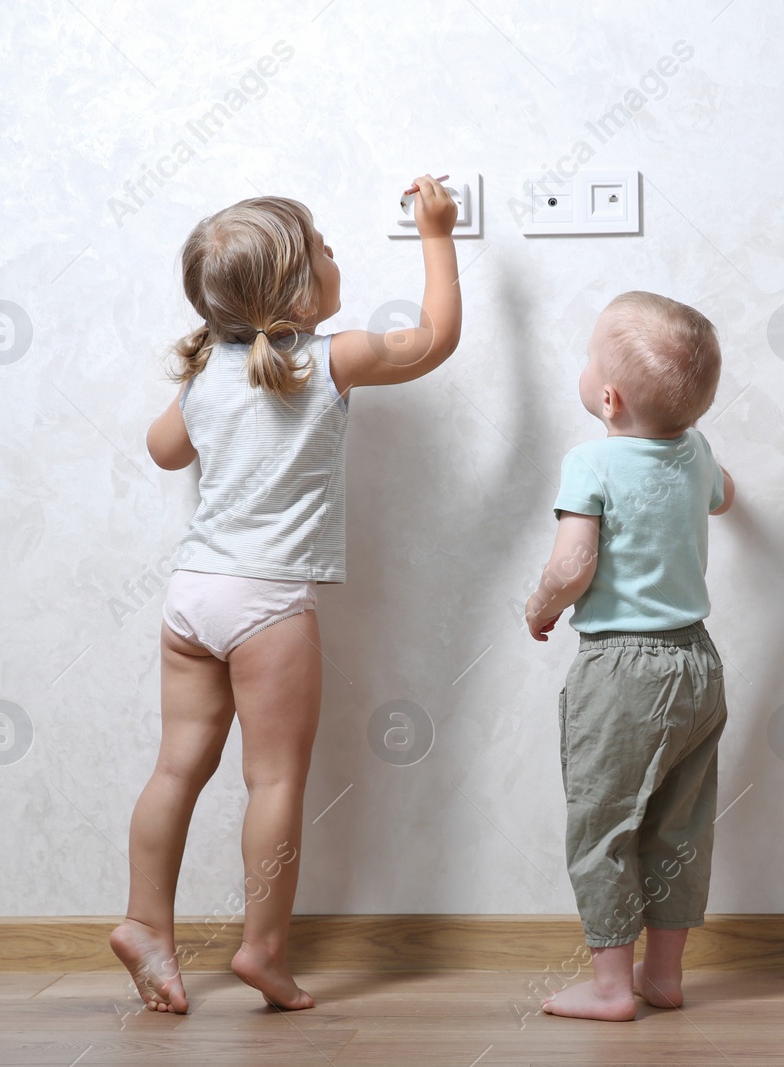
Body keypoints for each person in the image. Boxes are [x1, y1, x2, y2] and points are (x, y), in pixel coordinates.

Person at [112, 178, 460, 1013]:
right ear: (300, 291)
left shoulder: (204, 375)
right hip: (267, 602)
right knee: (274, 783)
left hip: (191, 596)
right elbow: (437, 338)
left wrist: (211, 379)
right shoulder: (332, 358)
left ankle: (143, 922)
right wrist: (436, 231)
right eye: (325, 249)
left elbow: (164, 451)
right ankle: (263, 950)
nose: (337, 255)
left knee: (175, 767)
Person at [526, 290, 736, 1021]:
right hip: (698, 664)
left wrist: (540, 606)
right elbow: (723, 496)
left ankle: (612, 985)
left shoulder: (591, 461)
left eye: (589, 360)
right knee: (679, 822)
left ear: (608, 397)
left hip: (623, 671)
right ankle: (664, 974)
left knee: (603, 822)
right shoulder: (698, 449)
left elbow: (572, 563)